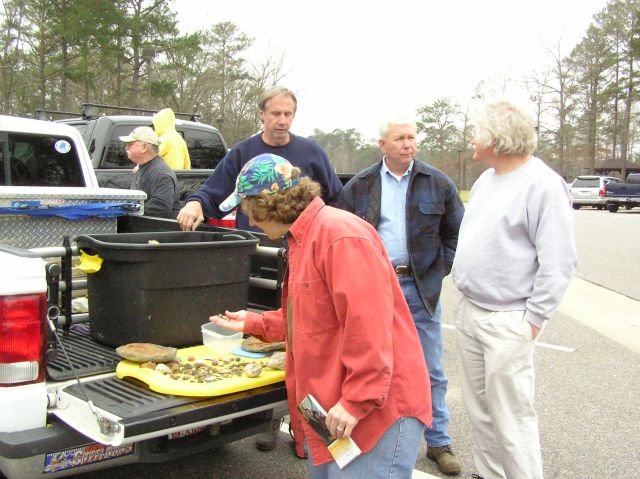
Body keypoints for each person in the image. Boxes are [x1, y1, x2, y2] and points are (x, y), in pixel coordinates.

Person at [210, 153, 432, 478]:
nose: (251, 222)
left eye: (248, 211)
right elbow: (310, 319)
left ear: (267, 203)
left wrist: (357, 400)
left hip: (371, 412)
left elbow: (369, 326)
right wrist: (254, 323)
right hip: (331, 410)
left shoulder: (338, 234)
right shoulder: (303, 238)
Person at [452, 100, 577, 479]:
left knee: (512, 418)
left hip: (509, 319)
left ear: (495, 138)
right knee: (481, 413)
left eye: (476, 132)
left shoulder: (543, 185)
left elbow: (559, 261)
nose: (471, 139)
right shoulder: (487, 179)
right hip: (471, 311)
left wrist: (533, 320)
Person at [338, 114, 464, 476]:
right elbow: (343, 235)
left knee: (429, 369)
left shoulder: (437, 183)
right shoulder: (360, 186)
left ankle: (438, 442)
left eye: (411, 138)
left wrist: (440, 269)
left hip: (420, 289)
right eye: (399, 138)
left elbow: (457, 232)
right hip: (375, 290)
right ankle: (376, 436)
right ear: (383, 145)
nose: (408, 144)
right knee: (370, 365)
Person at [177, 86, 343, 232]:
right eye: (276, 114)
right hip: (257, 247)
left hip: (303, 249)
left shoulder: (312, 152)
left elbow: (338, 201)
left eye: (288, 114)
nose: (282, 121)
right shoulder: (242, 152)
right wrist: (195, 203)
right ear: (261, 114)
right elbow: (214, 193)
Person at [119, 126, 181, 218]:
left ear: (144, 147)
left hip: (156, 229)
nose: (126, 147)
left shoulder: (161, 173)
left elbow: (161, 206)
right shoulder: (143, 167)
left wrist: (127, 209)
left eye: (130, 144)